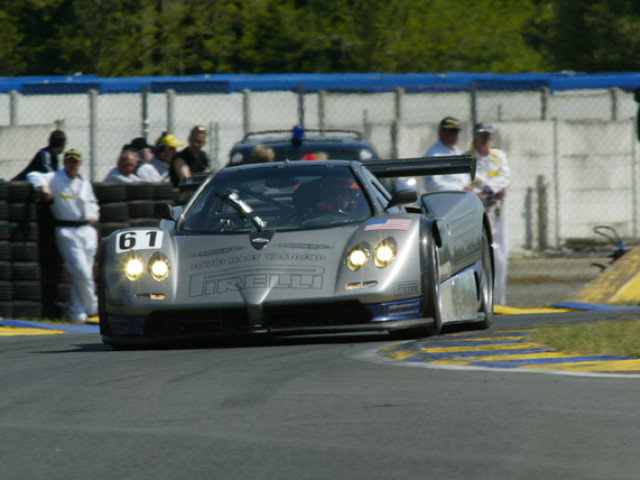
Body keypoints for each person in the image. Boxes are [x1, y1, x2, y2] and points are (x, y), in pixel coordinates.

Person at [26, 149, 100, 323]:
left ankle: (77, 313)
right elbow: (33, 175)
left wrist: (93, 214)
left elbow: (93, 203)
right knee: (81, 271)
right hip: (67, 231)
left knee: (82, 273)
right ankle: (94, 307)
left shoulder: (84, 182)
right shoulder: (55, 178)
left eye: (75, 161)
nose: (72, 164)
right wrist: (44, 189)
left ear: (80, 163)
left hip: (87, 232)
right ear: (65, 162)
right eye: (69, 161)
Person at [467, 122, 512, 306]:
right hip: (480, 212)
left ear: (491, 138)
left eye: (487, 136)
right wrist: (491, 189)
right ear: (475, 137)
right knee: (488, 255)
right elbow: (468, 185)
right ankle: (486, 301)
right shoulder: (468, 158)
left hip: (498, 211)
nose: (484, 139)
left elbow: (506, 177)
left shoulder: (498, 155)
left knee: (503, 257)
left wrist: (489, 190)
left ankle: (499, 301)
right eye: (481, 136)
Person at [422, 116, 465, 191]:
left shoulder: (456, 150)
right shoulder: (433, 155)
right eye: (450, 132)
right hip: (445, 199)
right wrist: (461, 189)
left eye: (456, 132)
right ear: (441, 133)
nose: (454, 136)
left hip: (463, 197)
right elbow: (432, 185)